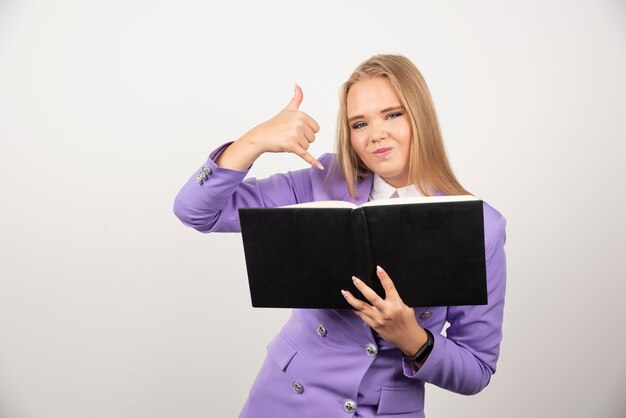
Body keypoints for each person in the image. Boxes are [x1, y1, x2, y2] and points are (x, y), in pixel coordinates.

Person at [173, 54, 507, 418]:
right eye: (359, 123)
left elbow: (477, 370)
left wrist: (412, 338)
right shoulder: (324, 180)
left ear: (420, 116)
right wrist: (253, 142)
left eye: (393, 114)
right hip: (285, 401)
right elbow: (197, 212)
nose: (376, 134)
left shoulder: (481, 225)